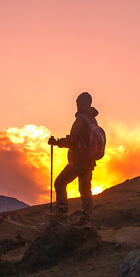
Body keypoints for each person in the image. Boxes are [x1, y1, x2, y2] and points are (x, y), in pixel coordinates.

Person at [48, 91, 100, 224]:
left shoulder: (81, 120)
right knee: (85, 190)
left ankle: (61, 212)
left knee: (60, 182)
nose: (77, 105)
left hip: (79, 160)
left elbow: (73, 140)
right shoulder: (92, 120)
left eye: (78, 102)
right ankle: (86, 218)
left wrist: (57, 142)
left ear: (83, 104)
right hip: (89, 161)